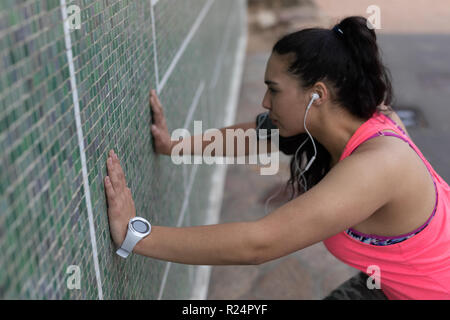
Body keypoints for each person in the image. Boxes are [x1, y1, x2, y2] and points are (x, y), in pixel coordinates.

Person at [104, 16, 450, 299]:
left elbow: (259, 243)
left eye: (274, 89)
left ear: (317, 95)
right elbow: (259, 133)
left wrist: (136, 236)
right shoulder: (347, 118)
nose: (266, 102)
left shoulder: (377, 167)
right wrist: (173, 145)